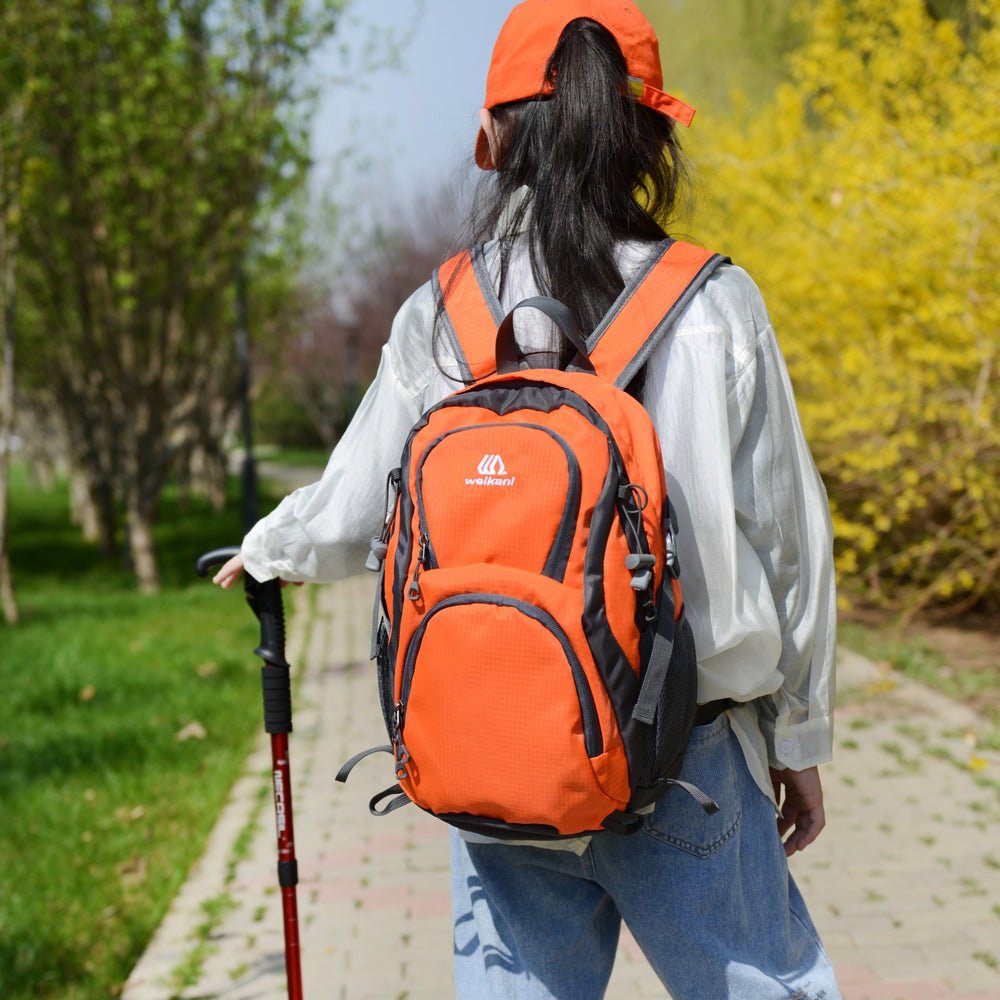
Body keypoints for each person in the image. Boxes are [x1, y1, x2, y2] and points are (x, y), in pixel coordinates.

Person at [214, 1, 842, 997]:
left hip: (494, 748)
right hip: (685, 755)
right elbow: (787, 540)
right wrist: (799, 736)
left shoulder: (446, 312)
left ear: (496, 136)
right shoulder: (714, 303)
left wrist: (270, 547)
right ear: (650, 132)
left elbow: (356, 504)